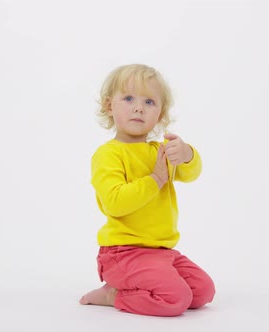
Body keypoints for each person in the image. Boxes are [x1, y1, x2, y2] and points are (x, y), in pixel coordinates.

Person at [79, 64, 215, 317]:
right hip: (123, 253)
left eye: (149, 101)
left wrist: (187, 155)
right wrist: (155, 179)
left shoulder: (158, 151)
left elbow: (191, 173)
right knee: (176, 299)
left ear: (160, 114)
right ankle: (114, 294)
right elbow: (115, 202)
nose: (139, 107)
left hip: (161, 251)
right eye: (129, 98)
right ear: (110, 106)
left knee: (202, 292)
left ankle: (145, 284)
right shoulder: (109, 154)